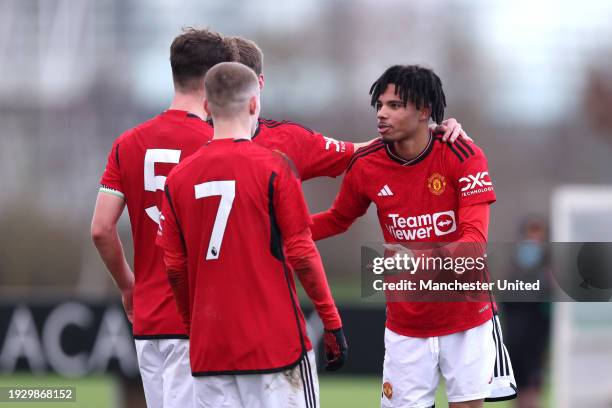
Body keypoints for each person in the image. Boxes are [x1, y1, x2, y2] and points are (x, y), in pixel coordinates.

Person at [310, 65, 509, 408]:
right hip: (406, 324)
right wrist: (278, 231)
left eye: (395, 105)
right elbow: (337, 219)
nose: (382, 113)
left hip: (466, 319)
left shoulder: (463, 155)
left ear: (424, 111)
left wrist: (415, 259)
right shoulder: (366, 165)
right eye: (380, 105)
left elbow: (474, 245)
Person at [157, 61, 347, 408]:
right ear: (254, 104)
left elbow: (174, 268)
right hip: (275, 347)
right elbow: (302, 253)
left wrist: (191, 325)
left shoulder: (177, 179)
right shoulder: (274, 167)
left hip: (210, 350)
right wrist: (331, 321)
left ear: (206, 107)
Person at [91, 28, 231, 408]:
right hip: (199, 319)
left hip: (149, 320)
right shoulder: (217, 144)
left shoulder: (128, 143)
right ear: (214, 78)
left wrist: (127, 286)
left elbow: (101, 229)